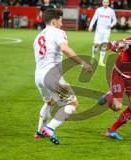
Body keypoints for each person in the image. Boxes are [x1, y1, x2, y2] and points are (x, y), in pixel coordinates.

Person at [33, 9, 92, 144]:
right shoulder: (58, 32)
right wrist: (83, 63)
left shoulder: (38, 37)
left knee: (50, 102)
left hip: (38, 77)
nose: (61, 23)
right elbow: (65, 48)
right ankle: (50, 128)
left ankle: (39, 131)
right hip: (51, 76)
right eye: (60, 20)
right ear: (54, 21)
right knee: (73, 103)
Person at [88, 0, 117, 66]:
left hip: (107, 31)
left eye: (107, 2)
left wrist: (111, 25)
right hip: (99, 30)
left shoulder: (111, 11)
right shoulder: (98, 10)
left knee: (104, 45)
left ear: (108, 3)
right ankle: (93, 57)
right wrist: (90, 26)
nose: (105, 3)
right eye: (104, 2)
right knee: (96, 44)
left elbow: (115, 20)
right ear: (102, 3)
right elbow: (94, 18)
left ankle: (101, 61)